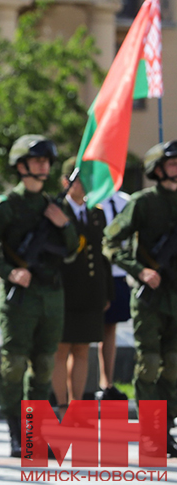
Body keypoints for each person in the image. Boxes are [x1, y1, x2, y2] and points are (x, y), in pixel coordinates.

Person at [0, 135, 78, 458]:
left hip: (52, 295)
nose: (44, 166)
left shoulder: (55, 206)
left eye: (47, 161)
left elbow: (72, 249)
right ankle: (16, 430)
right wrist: (9, 271)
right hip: (21, 299)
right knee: (14, 364)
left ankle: (37, 432)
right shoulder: (7, 205)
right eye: (37, 160)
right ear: (21, 166)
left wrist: (65, 224)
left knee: (44, 365)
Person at [104, 140, 177, 457]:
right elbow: (110, 242)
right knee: (148, 363)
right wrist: (139, 270)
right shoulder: (143, 202)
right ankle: (151, 432)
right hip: (150, 298)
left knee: (174, 366)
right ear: (157, 169)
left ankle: (166, 429)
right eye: (173, 163)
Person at [52, 157, 113, 419]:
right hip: (65, 290)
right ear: (67, 182)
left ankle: (77, 405)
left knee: (82, 349)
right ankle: (62, 405)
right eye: (80, 179)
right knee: (61, 349)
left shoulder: (95, 213)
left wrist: (106, 291)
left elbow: (101, 256)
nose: (85, 185)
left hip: (90, 291)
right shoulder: (57, 209)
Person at [96, 188, 131, 401]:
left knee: (110, 327)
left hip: (117, 273)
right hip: (93, 275)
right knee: (78, 336)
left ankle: (106, 383)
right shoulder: (91, 198)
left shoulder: (125, 201)